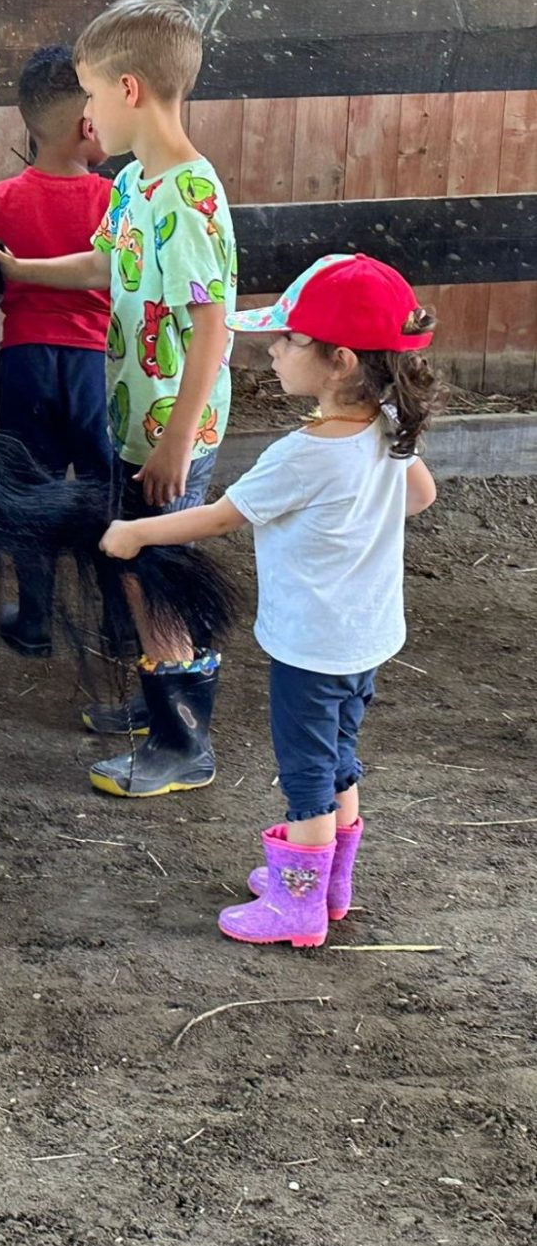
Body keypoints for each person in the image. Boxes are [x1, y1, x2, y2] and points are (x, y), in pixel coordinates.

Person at [101, 254, 441, 947]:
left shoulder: (306, 452)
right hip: (367, 635)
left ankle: (297, 909)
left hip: (312, 645)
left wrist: (135, 531)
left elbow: (224, 515)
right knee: (340, 756)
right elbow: (421, 496)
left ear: (340, 360)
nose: (273, 351)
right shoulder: (386, 427)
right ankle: (330, 884)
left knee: (308, 775)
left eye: (287, 340)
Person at [0, 0, 237, 797]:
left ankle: (184, 742)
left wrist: (178, 443)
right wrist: (18, 270)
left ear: (127, 92)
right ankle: (162, 700)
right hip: (133, 417)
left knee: (157, 565)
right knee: (138, 565)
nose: (82, 111)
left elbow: (213, 327)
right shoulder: (132, 187)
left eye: (86, 91)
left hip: (168, 428)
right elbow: (102, 268)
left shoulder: (187, 195)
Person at [0, 45, 114, 659]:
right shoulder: (113, 197)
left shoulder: (4, 199)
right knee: (105, 487)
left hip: (23, 360)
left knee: (33, 485)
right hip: (89, 363)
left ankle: (34, 621)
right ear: (88, 126)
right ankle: (120, 621)